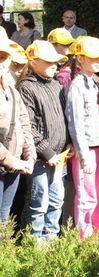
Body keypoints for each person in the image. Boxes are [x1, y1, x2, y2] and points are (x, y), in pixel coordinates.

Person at [18, 40, 70, 240]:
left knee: (56, 201)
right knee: (39, 203)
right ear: (33, 62)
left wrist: (69, 142)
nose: (54, 65)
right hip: (41, 159)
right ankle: (34, 242)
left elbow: (65, 118)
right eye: (48, 62)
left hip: (60, 156)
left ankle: (51, 240)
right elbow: (28, 126)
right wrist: (47, 152)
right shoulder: (26, 87)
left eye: (55, 62)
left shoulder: (56, 85)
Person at [65, 37, 99, 238]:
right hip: (86, 149)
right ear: (81, 58)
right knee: (86, 195)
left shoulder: (95, 83)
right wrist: (83, 156)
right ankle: (83, 236)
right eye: (93, 57)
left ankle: (94, 229)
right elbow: (75, 123)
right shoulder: (77, 85)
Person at [0, 38, 35, 223]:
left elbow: (24, 123)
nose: (1, 62)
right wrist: (12, 161)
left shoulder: (11, 90)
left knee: (4, 217)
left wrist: (30, 156)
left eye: (3, 57)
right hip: (9, 162)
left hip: (13, 166)